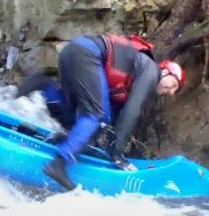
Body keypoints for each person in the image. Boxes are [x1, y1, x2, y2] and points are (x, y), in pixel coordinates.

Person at [16, 34, 186, 191]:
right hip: (87, 54)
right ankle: (58, 164)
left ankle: (45, 87)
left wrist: (99, 145)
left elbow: (114, 117)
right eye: (173, 85)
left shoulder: (135, 74)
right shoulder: (151, 71)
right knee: (96, 114)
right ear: (165, 72)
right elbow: (131, 112)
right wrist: (117, 153)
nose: (170, 91)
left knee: (78, 116)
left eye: (174, 91)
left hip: (72, 52)